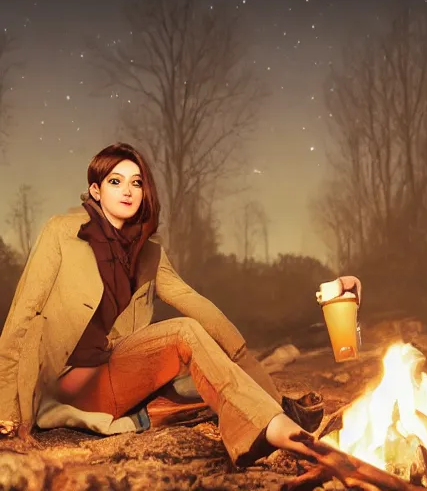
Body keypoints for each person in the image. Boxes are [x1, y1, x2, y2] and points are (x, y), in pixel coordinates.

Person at [0, 143, 357, 466]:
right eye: (115, 181)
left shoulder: (148, 251)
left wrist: (242, 354)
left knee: (193, 338)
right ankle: (272, 424)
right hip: (65, 382)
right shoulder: (61, 232)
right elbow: (21, 315)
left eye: (136, 183)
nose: (127, 190)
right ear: (95, 190)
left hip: (114, 370)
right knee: (187, 348)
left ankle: (273, 417)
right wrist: (6, 413)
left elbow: (195, 303)